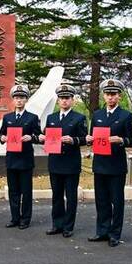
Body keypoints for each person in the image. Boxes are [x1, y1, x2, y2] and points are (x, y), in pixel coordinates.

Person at [87, 79, 132, 247]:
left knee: (117, 200)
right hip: (100, 163)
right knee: (101, 200)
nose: (110, 97)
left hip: (116, 165)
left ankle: (115, 233)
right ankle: (102, 231)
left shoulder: (126, 115)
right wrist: (88, 139)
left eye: (113, 94)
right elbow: (92, 136)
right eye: (107, 94)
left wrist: (121, 139)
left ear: (119, 96)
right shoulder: (97, 115)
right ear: (103, 96)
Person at [39, 84, 87, 238]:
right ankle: (57, 224)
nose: (64, 101)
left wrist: (73, 140)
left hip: (71, 162)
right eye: (61, 98)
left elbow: (85, 139)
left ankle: (68, 226)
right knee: (57, 196)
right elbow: (48, 137)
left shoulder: (79, 118)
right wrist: (42, 138)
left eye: (67, 98)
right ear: (58, 100)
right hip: (55, 162)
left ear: (72, 100)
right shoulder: (51, 118)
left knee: (71, 196)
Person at [0, 85, 41, 230]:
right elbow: (1, 134)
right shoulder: (7, 117)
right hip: (11, 159)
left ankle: (25, 219)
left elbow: (39, 136)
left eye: (22, 98)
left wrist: (31, 137)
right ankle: (14, 218)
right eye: (16, 98)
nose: (19, 100)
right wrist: (2, 137)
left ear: (26, 99)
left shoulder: (32, 118)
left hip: (25, 159)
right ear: (13, 100)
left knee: (26, 191)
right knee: (13, 191)